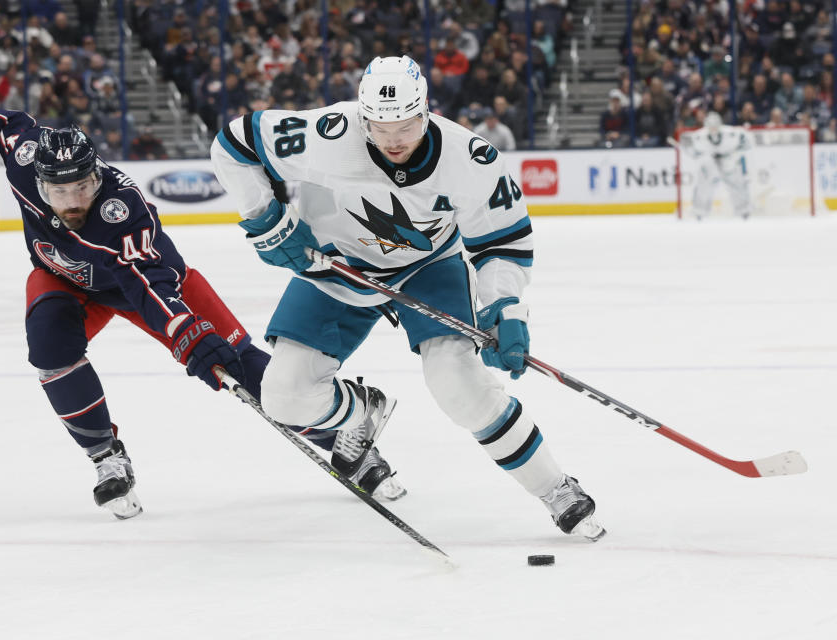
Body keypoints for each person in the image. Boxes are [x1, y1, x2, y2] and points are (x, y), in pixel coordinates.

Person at [0, 109, 405, 519]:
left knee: (242, 367)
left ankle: (347, 435)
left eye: (83, 187)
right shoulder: (27, 157)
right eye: (61, 193)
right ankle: (106, 457)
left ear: (95, 174)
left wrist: (188, 333)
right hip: (65, 280)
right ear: (39, 182)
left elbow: (147, 285)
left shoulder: (123, 211)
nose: (75, 201)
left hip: (146, 287)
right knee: (50, 347)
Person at [210, 55, 606, 541]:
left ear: (425, 111)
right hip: (338, 264)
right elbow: (234, 143)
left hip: (429, 268)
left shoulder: (471, 159)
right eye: (380, 126)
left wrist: (506, 309)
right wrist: (266, 219)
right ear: (362, 116)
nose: (394, 138)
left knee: (459, 386)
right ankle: (360, 414)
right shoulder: (327, 134)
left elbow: (503, 242)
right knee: (284, 397)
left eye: (406, 124)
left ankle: (555, 487)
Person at [681, 111, 754, 219]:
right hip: (710, 162)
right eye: (711, 127)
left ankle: (744, 210)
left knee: (737, 184)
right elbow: (689, 147)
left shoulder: (731, 133)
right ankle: (699, 211)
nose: (713, 129)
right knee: (703, 185)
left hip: (727, 161)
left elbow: (747, 141)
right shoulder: (699, 136)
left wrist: (736, 154)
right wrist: (697, 154)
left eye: (715, 126)